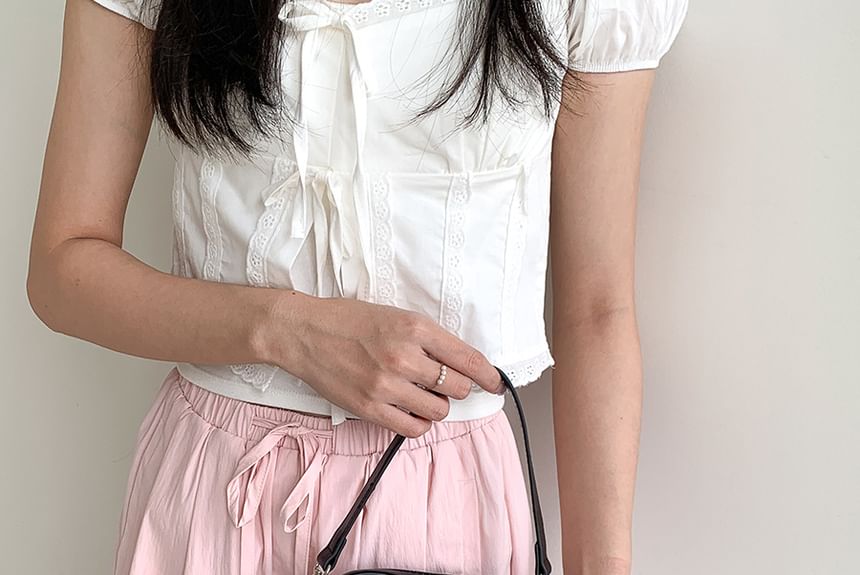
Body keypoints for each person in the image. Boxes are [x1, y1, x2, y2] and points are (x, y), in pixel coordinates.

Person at [27, 0, 687, 573]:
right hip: (214, 491)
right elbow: (62, 266)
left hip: (446, 507)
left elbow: (597, 310)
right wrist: (287, 330)